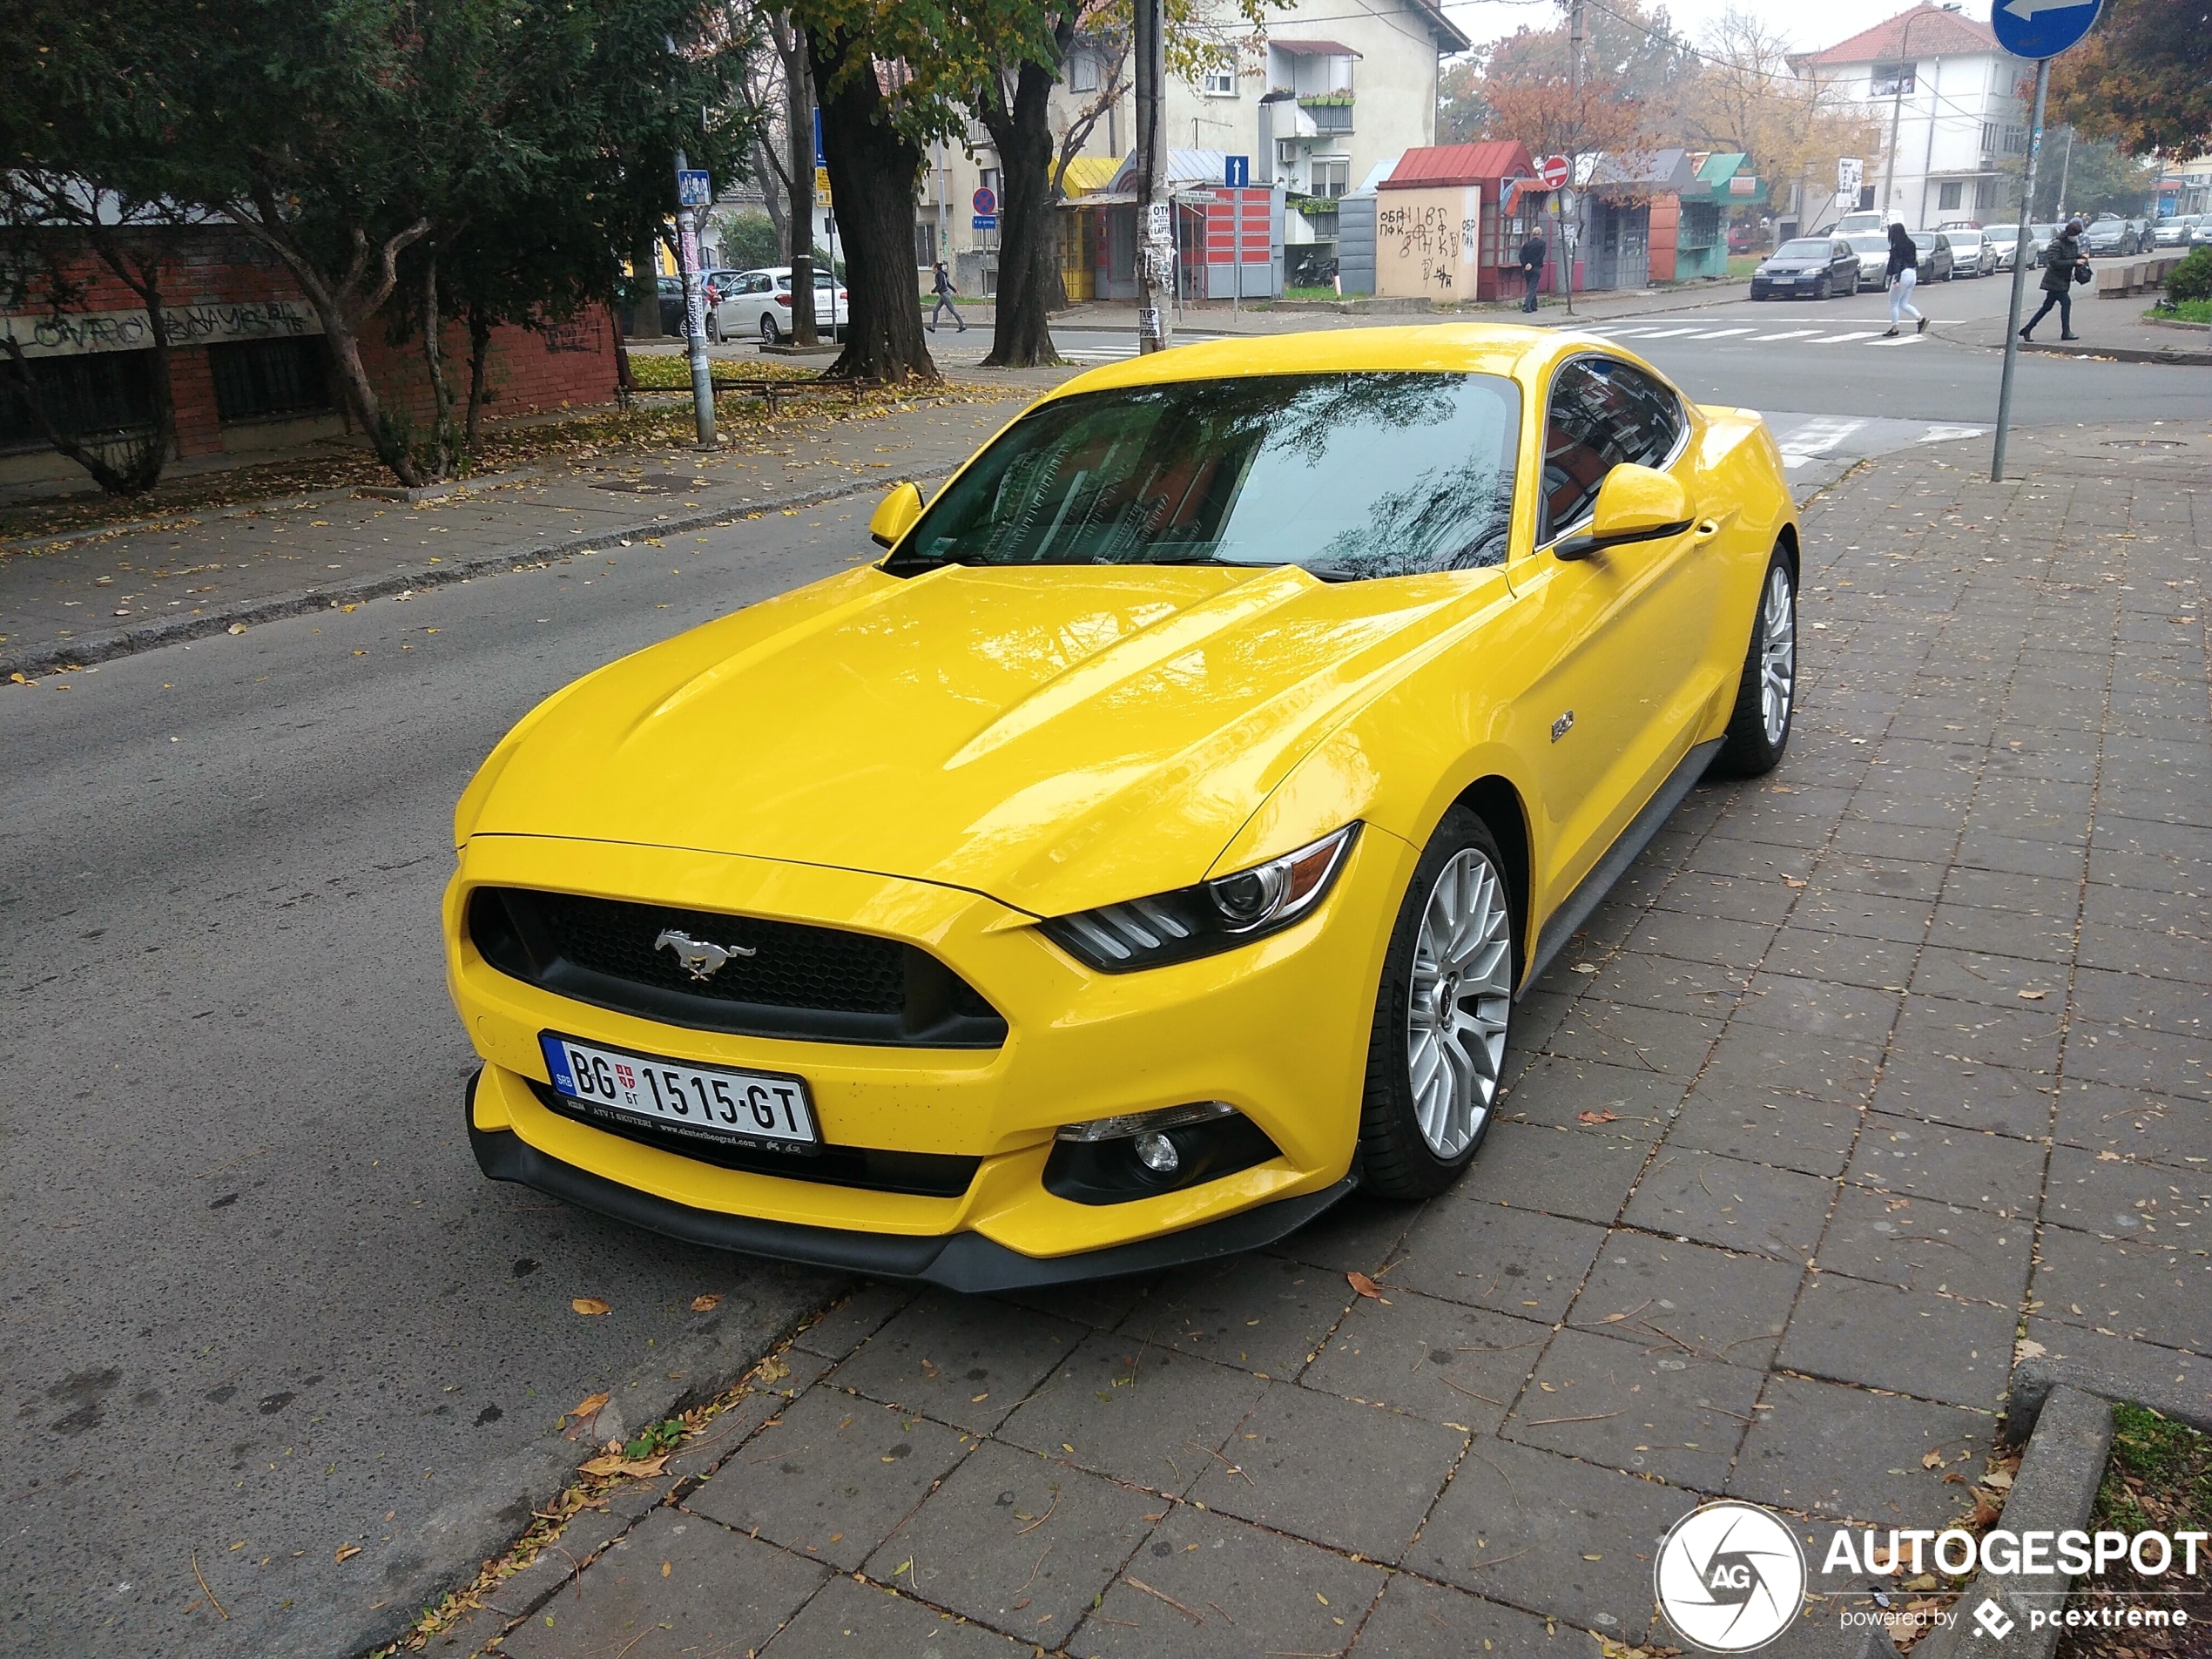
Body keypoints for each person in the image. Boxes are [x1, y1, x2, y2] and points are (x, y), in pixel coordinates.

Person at [2020, 219, 2087, 341]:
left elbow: (2071, 256)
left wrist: (2080, 258)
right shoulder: (2057, 244)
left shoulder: (2072, 244)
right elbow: (2054, 262)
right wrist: (2075, 261)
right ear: (2069, 233)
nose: (2076, 237)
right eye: (2075, 235)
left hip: (2063, 280)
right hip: (2054, 280)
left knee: (2047, 307)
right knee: (2066, 303)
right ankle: (2066, 332)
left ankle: (2028, 329)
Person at [1882, 222, 1924, 338]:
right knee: (1903, 303)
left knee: (1893, 303)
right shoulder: (1911, 244)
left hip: (1902, 275)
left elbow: (1898, 263)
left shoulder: (1898, 247)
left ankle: (1895, 328)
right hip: (1912, 273)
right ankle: (1920, 318)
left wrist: (1896, 279)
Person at [927, 261, 965, 333]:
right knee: (935, 310)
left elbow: (940, 285)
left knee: (952, 310)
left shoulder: (939, 275)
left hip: (945, 295)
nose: (932, 269)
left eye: (932, 268)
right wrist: (955, 291)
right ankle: (933, 327)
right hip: (943, 295)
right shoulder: (941, 274)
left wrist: (932, 292)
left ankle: (963, 325)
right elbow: (947, 284)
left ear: (936, 268)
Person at [1518, 226, 1548, 314]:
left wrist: (1525, 264)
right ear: (1540, 234)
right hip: (1536, 268)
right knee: (1532, 288)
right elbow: (1540, 256)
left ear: (1532, 234)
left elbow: (1521, 255)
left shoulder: (1527, 244)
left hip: (1527, 268)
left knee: (1531, 286)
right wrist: (1532, 264)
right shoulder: (1542, 244)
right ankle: (1526, 306)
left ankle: (1533, 305)